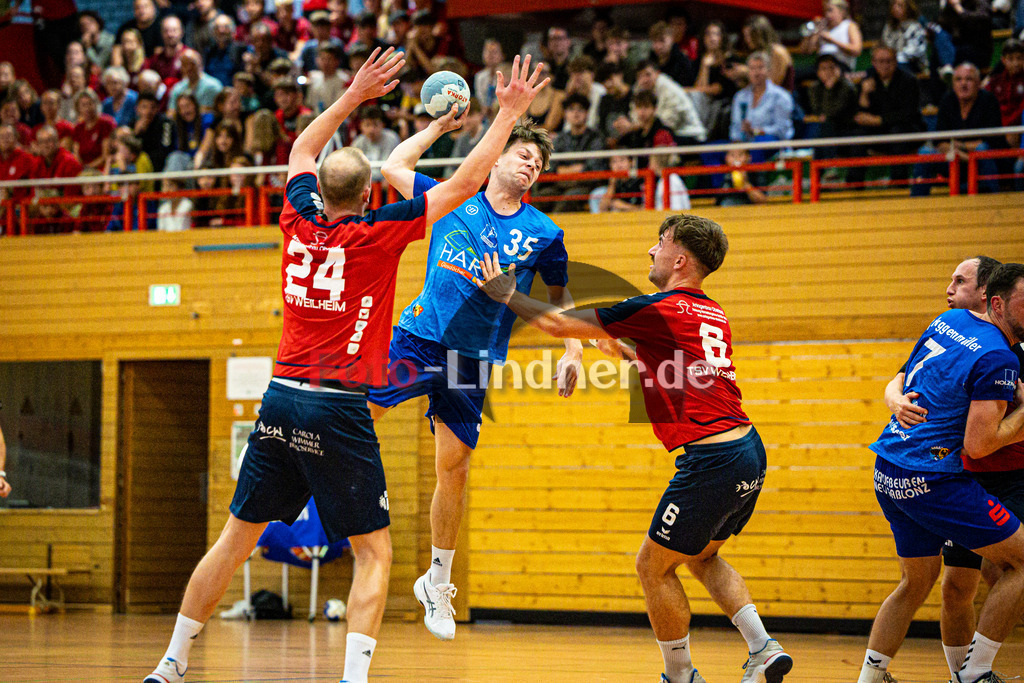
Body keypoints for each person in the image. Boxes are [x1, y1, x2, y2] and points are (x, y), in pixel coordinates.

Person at [141, 47, 550, 683]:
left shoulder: (296, 216)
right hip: (336, 406)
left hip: (278, 399)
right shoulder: (377, 234)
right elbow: (466, 184)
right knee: (375, 552)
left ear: (321, 192)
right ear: (367, 197)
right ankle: (353, 678)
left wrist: (354, 94)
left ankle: (172, 662)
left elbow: (302, 152)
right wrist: (507, 115)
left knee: (232, 540)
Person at [476, 214, 793, 683]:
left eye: (660, 243)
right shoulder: (712, 312)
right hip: (747, 451)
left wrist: (507, 293)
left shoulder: (655, 306)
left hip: (711, 461)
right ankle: (762, 648)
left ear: (680, 258)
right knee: (702, 556)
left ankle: (680, 675)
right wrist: (629, 353)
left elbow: (559, 325)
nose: (651, 251)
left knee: (652, 566)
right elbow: (686, 367)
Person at [374, 61, 580, 644]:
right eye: (522, 154)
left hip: (472, 357)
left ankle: (437, 582)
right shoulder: (450, 198)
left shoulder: (544, 233)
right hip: (418, 336)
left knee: (454, 469)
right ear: (495, 155)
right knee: (356, 414)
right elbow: (393, 166)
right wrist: (439, 127)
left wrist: (572, 352)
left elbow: (561, 302)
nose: (530, 164)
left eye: (537, 163)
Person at [856, 262, 1024, 683]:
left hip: (888, 468)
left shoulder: (948, 323)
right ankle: (975, 672)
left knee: (918, 582)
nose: (949, 290)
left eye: (959, 281)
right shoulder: (997, 354)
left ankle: (869, 678)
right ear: (996, 301)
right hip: (936, 478)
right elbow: (978, 445)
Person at [910, 63, 1003, 196]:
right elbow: (940, 142)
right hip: (955, 159)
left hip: (982, 161)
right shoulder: (947, 100)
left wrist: (961, 147)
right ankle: (916, 206)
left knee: (982, 149)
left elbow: (993, 141)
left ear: (978, 83)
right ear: (953, 84)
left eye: (969, 79)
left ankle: (992, 201)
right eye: (958, 79)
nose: (963, 84)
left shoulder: (989, 101)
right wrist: (960, 152)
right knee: (925, 153)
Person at [729, 52, 794, 143]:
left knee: (759, 143)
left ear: (769, 70)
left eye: (760, 68)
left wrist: (758, 131)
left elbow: (782, 130)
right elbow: (735, 127)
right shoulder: (740, 96)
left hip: (772, 143)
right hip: (744, 144)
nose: (756, 73)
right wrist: (736, 144)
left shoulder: (780, 96)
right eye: (752, 68)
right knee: (712, 150)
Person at [801, 0, 863, 72]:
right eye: (825, 11)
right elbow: (806, 51)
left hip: (841, 65)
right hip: (821, 64)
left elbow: (856, 50)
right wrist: (814, 33)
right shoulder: (823, 28)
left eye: (830, 11)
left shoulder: (849, 26)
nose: (827, 15)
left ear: (841, 11)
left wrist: (832, 41)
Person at [351, 105, 399, 183]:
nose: (371, 129)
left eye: (375, 125)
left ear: (382, 125)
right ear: (361, 126)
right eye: (367, 125)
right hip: (365, 184)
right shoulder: (357, 142)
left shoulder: (391, 138)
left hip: (387, 184)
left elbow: (394, 168)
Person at [881, 0, 929, 74]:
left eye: (900, 5)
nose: (895, 8)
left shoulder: (915, 26)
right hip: (891, 61)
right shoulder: (889, 27)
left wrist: (896, 56)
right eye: (893, 5)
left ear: (908, 8)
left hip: (912, 63)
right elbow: (885, 44)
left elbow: (917, 51)